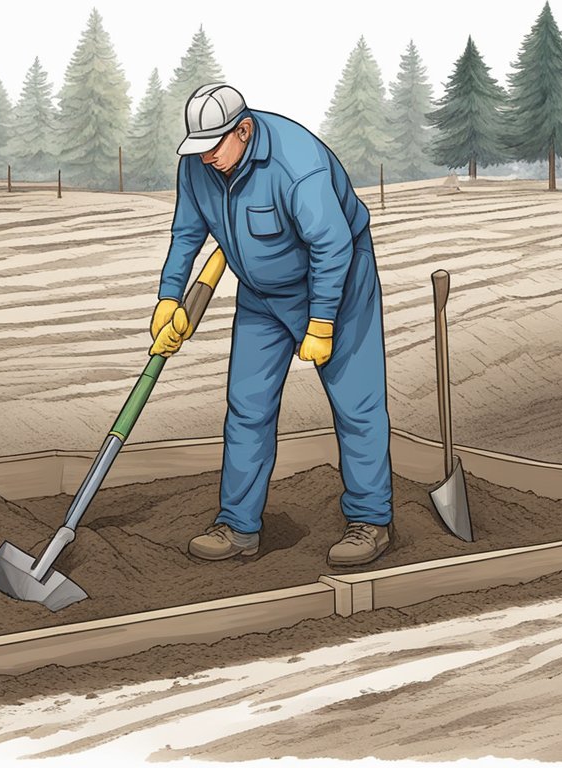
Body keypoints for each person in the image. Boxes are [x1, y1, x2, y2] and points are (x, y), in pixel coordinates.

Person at [150, 83, 394, 567]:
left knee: (356, 404)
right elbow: (186, 234)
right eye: (196, 149)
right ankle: (238, 526)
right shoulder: (199, 165)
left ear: (243, 131)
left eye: (213, 147)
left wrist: (322, 321)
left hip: (337, 285)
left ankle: (371, 521)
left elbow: (332, 246)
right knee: (247, 406)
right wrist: (169, 297)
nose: (204, 159)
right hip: (261, 295)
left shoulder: (296, 166)